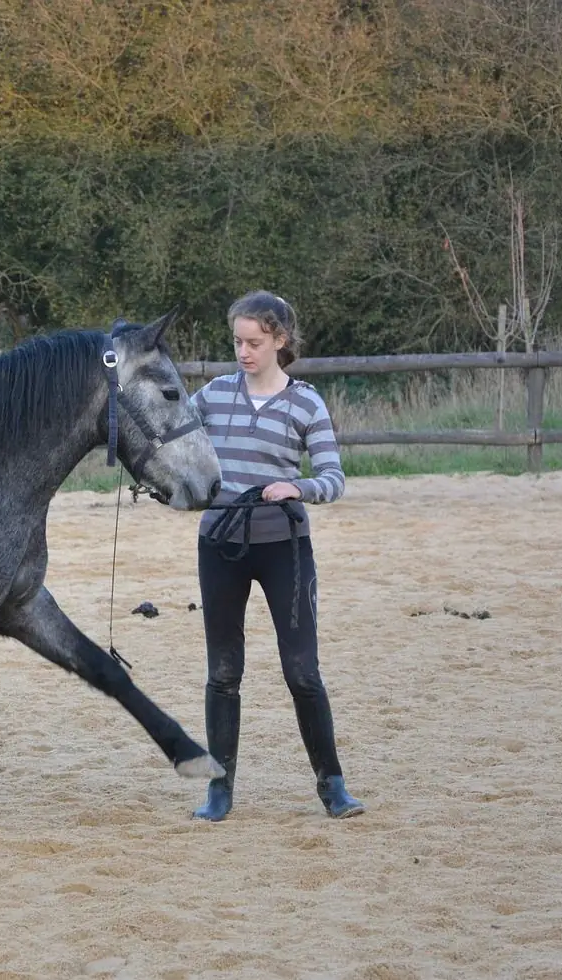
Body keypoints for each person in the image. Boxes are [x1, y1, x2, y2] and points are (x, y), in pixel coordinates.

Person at [189, 290, 364, 821]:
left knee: (302, 671)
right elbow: (172, 443)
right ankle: (219, 791)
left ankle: (332, 786)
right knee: (223, 671)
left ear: (280, 341)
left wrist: (297, 488)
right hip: (220, 545)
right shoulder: (212, 396)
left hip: (285, 550)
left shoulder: (306, 403)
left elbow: (333, 479)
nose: (243, 351)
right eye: (237, 341)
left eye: (254, 342)